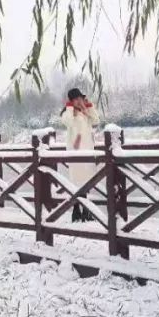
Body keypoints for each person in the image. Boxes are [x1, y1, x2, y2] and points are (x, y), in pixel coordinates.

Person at [58, 87, 101, 222]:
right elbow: (68, 122)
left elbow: (96, 121)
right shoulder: (68, 114)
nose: (79, 101)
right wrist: (70, 107)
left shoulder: (84, 113)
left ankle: (85, 211)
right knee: (76, 182)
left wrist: (88, 106)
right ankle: (77, 210)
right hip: (75, 152)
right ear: (71, 101)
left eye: (80, 98)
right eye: (76, 99)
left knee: (86, 181)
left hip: (87, 151)